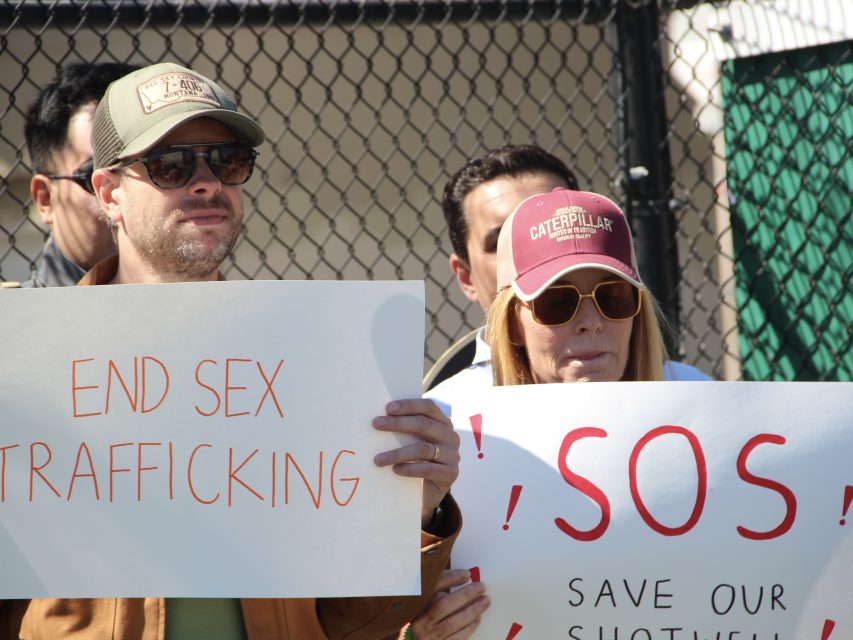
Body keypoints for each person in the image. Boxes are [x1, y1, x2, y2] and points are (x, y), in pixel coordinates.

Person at [1, 62, 461, 640]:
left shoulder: (313, 363)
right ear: (109, 193)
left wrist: (414, 509)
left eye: (228, 161)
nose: (206, 182)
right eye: (170, 165)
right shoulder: (26, 360)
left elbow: (349, 624)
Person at [424, 144, 711, 392]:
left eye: (613, 298)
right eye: (557, 302)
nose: (591, 321)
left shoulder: (699, 397)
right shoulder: (451, 414)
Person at [22, 62, 138, 287]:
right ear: (46, 199)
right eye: (100, 179)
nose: (132, 196)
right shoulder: (12, 319)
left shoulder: (215, 307)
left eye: (164, 168)